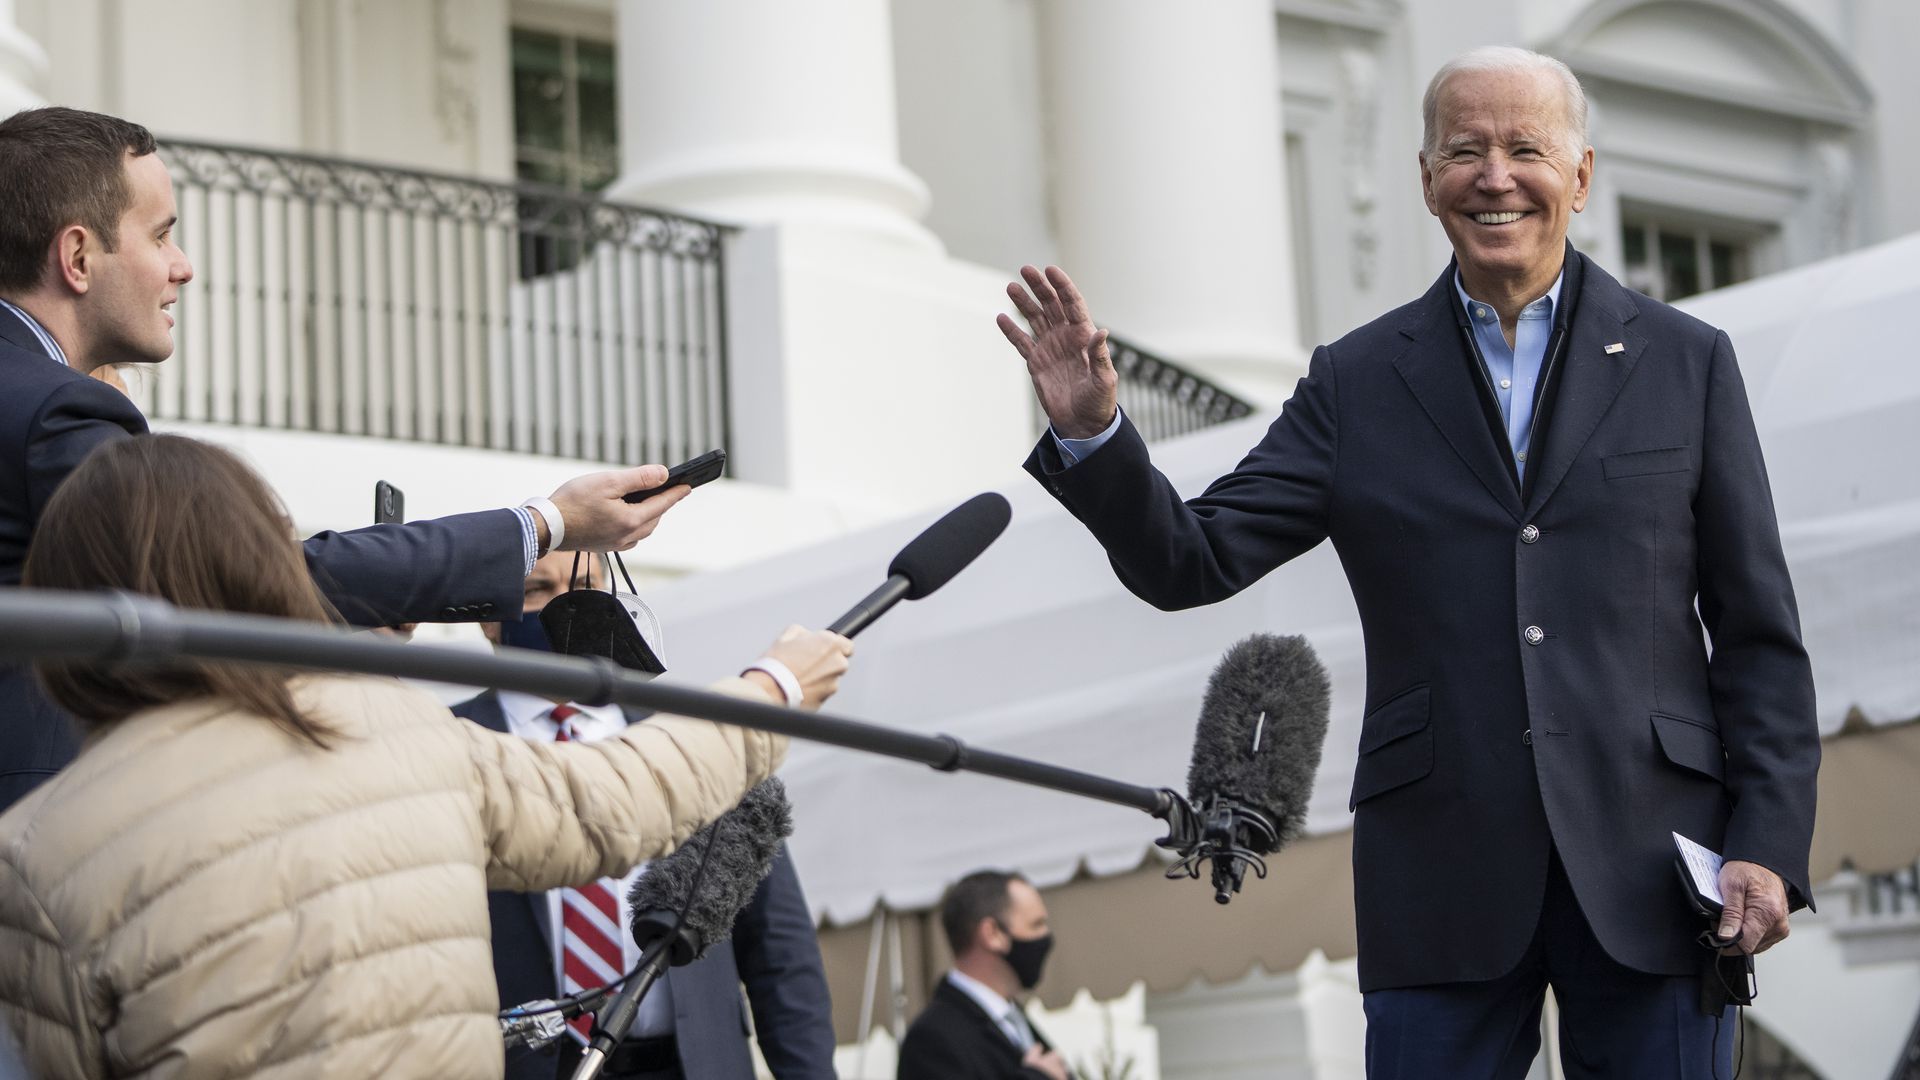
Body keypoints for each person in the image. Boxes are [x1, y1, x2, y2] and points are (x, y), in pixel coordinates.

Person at [1001, 46, 1818, 1078]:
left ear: (1581, 175)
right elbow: (1189, 560)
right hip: (1441, 872)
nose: (1496, 175)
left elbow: (1758, 637)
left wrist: (1769, 846)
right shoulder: (1357, 381)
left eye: (1527, 147)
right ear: (1426, 178)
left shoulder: (1687, 361)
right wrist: (1095, 437)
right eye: (1465, 149)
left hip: (1658, 866)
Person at [0, 434, 855, 1080]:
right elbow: (619, 802)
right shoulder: (400, 728)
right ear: (261, 569)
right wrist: (772, 686)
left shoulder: (31, 849)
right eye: (530, 589)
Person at [0, 106, 694, 810]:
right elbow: (237, 586)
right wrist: (546, 524)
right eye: (161, 235)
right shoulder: (60, 410)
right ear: (78, 257)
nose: (183, 266)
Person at [459, 550, 839, 1080]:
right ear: (488, 617)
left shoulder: (690, 740)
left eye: (586, 584)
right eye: (536, 590)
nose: (565, 606)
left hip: (693, 1063)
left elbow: (778, 946)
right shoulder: (452, 747)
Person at [897, 870, 1070, 1080]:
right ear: (992, 934)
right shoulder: (931, 1040)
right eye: (1036, 925)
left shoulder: (1010, 1018)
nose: (1045, 936)